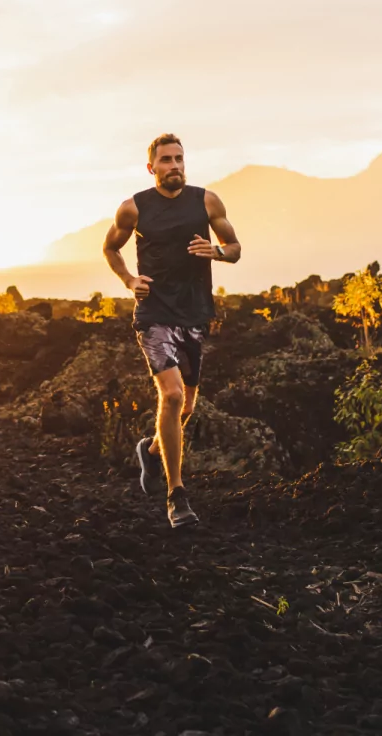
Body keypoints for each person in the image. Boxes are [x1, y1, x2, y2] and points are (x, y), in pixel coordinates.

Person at [102, 133, 242, 528]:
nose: (175, 166)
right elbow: (110, 248)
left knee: (189, 405)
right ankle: (176, 495)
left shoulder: (206, 201)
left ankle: (150, 449)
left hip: (195, 313)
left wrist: (215, 251)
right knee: (173, 394)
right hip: (154, 313)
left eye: (179, 158)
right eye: (166, 160)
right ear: (152, 167)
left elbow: (234, 246)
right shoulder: (134, 208)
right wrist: (130, 280)